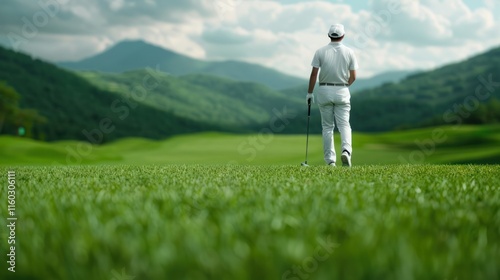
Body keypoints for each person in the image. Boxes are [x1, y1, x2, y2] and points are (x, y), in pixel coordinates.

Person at [307, 24, 358, 167]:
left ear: (329, 35)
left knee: (327, 127)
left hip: (324, 90)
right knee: (344, 125)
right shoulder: (349, 52)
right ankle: (346, 151)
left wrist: (309, 93)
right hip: (342, 90)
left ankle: (330, 161)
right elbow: (353, 76)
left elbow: (313, 74)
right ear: (343, 36)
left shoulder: (320, 51)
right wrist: (343, 86)